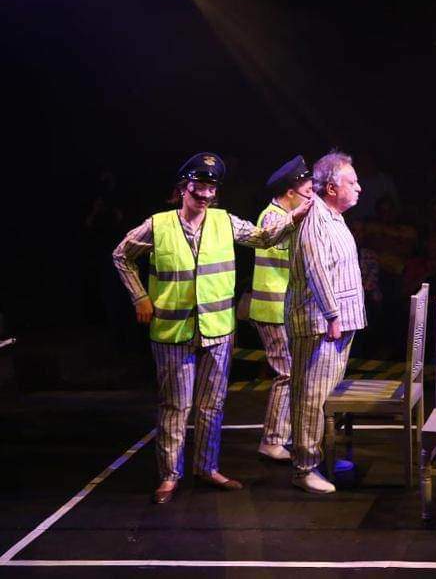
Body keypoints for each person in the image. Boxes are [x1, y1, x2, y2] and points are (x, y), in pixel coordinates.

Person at [112, 153, 311, 504]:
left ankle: (207, 467)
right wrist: (139, 296)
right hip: (173, 332)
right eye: (199, 187)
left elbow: (262, 237)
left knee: (212, 405)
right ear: (184, 187)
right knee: (176, 405)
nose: (205, 194)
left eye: (211, 188)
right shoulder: (158, 225)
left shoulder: (224, 222)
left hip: (217, 330)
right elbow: (121, 255)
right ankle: (170, 475)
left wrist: (293, 218)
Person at [286, 150, 366, 495]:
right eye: (352, 182)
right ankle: (304, 467)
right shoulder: (313, 218)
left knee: (324, 398)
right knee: (311, 396)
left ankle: (319, 459)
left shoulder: (334, 216)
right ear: (331, 188)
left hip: (338, 324)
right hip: (320, 324)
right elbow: (316, 270)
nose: (359, 188)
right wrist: (333, 315)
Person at [248, 156, 313, 462]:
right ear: (290, 193)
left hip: (283, 309)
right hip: (271, 310)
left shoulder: (285, 216)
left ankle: (283, 435)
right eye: (307, 192)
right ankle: (272, 440)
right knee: (286, 373)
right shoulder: (271, 218)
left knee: (291, 372)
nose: (310, 198)